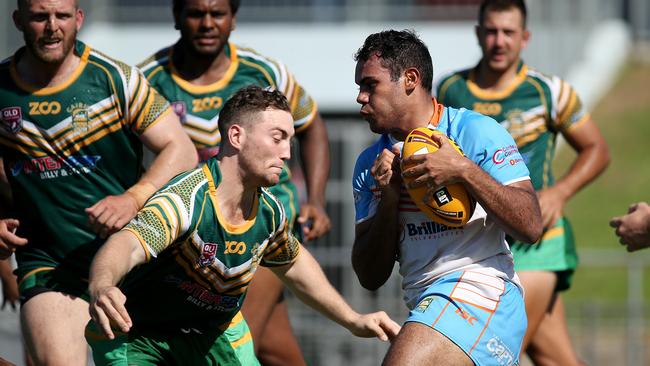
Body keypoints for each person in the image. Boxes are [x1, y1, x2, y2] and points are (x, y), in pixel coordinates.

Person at [85, 85, 400, 365]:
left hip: (215, 332)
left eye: (290, 140)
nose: (287, 153)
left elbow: (294, 265)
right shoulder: (187, 199)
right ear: (236, 136)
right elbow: (125, 244)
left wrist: (352, 319)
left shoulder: (269, 211)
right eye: (277, 138)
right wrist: (102, 285)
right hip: (139, 334)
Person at [0, 0, 199, 364]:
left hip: (129, 258)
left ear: (78, 19)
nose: (51, 27)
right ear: (18, 20)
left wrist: (133, 198)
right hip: (50, 263)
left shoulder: (116, 79)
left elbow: (181, 149)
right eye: (40, 16)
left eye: (61, 16)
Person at [137, 1, 331, 363]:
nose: (207, 23)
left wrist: (316, 200)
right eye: (196, 13)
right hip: (197, 234)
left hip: (263, 225)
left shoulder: (264, 71)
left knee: (232, 349)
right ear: (177, 16)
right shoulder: (148, 78)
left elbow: (312, 124)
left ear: (234, 19)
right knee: (278, 353)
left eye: (218, 13)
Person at [352, 29, 543, 366]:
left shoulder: (473, 132)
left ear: (410, 79)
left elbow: (530, 225)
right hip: (424, 303)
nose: (360, 98)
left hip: (483, 295)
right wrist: (390, 198)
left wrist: (463, 170)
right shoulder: (369, 165)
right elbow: (369, 276)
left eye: (370, 85)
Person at [436, 0, 610, 363]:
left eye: (509, 32)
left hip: (538, 242)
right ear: (478, 34)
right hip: (482, 241)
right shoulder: (450, 89)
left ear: (525, 37)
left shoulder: (550, 91)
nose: (499, 41)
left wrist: (560, 192)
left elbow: (597, 150)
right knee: (556, 358)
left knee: (490, 353)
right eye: (491, 31)